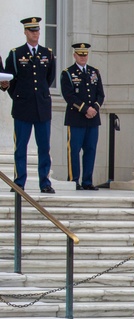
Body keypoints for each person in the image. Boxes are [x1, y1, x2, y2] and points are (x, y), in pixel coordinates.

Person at [5, 17, 57, 193]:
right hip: (23, 107)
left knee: (44, 147)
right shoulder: (15, 53)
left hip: (41, 106)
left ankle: (45, 182)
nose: (35, 33)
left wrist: (39, 94)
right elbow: (10, 79)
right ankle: (19, 182)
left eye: (37, 30)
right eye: (32, 31)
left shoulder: (47, 53)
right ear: (26, 32)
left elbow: (49, 78)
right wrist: (19, 96)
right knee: (21, 146)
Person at [60, 43, 104, 191]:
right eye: (80, 55)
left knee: (90, 149)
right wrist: (85, 109)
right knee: (74, 149)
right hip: (76, 117)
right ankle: (74, 180)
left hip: (93, 118)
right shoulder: (68, 73)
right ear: (75, 56)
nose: (83, 57)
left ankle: (87, 181)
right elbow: (69, 96)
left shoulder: (94, 72)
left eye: (85, 54)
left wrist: (95, 109)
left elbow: (100, 94)